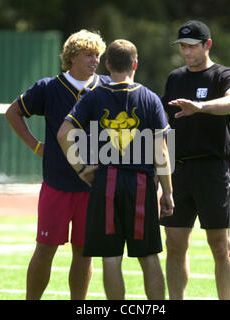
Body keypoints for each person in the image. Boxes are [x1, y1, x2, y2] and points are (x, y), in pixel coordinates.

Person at [57, 39, 174, 300]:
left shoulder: (94, 96)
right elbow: (162, 151)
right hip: (142, 183)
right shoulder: (151, 98)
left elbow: (63, 133)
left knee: (111, 257)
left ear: (107, 64)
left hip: (106, 181)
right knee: (148, 256)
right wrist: (167, 192)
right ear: (135, 64)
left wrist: (81, 168)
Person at [5, 29, 108, 300]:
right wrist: (35, 145)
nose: (95, 60)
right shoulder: (48, 87)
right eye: (89, 54)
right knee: (46, 247)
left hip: (92, 186)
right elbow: (12, 112)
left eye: (98, 55)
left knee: (84, 252)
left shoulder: (107, 86)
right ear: (72, 57)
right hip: (56, 184)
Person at [159, 20, 230, 300]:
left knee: (220, 245)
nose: (186, 52)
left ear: (207, 45)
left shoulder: (222, 75)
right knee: (174, 244)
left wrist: (201, 107)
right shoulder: (175, 78)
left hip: (213, 170)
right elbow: (161, 124)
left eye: (192, 46)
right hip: (179, 170)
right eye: (183, 46)